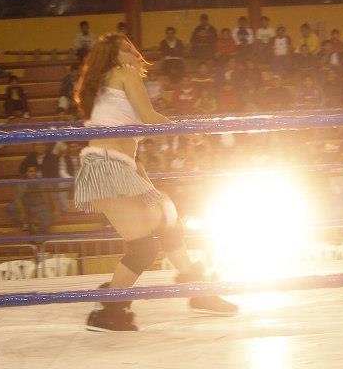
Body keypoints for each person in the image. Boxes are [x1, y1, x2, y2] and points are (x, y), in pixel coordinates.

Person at [72, 32, 237, 331]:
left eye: (133, 48)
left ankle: (198, 291)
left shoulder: (107, 84)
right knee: (144, 247)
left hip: (119, 167)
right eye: (126, 49)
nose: (134, 54)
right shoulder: (123, 74)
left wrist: (140, 171)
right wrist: (187, 130)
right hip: (107, 168)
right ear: (114, 56)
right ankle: (109, 309)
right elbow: (148, 116)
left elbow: (122, 132)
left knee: (169, 217)